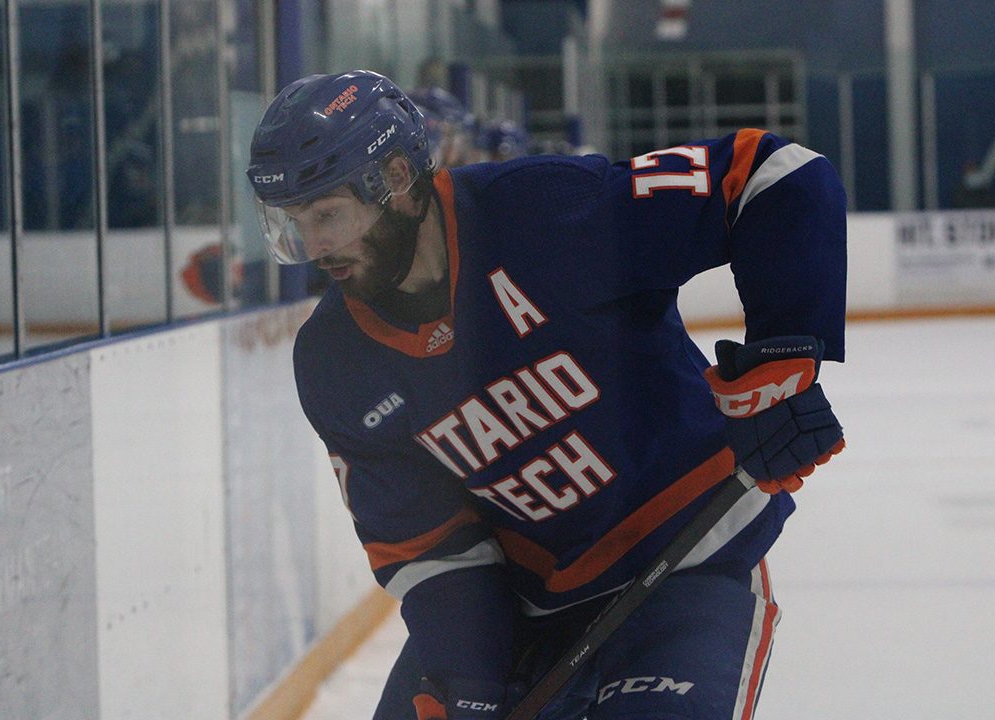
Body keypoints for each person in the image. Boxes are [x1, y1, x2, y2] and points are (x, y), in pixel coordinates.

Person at [247, 70, 847, 719]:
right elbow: (425, 541)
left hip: (693, 562)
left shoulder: (544, 213)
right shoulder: (336, 358)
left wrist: (781, 357)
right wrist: (468, 680)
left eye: (327, 215)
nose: (312, 248)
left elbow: (772, 174)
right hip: (518, 604)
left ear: (394, 178)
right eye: (294, 223)